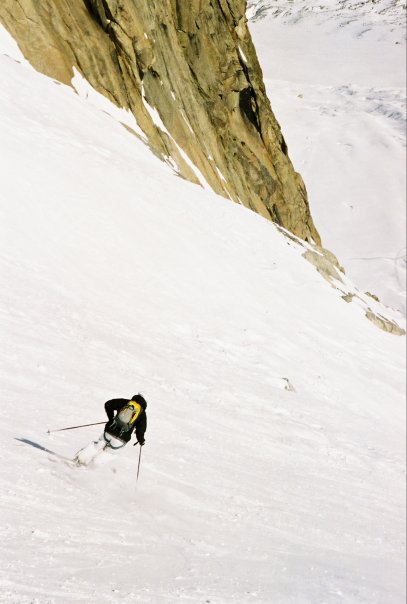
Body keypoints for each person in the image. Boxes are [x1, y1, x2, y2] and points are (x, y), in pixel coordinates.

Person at [73, 394, 147, 466]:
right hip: (121, 439)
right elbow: (140, 431)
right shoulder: (142, 413)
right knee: (110, 453)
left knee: (97, 446)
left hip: (110, 431)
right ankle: (92, 466)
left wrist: (111, 419)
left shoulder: (125, 402)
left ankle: (79, 459)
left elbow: (108, 404)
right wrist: (141, 440)